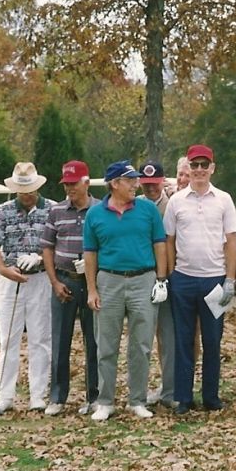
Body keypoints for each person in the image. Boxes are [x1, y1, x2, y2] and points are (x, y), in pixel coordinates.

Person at [83, 160, 167, 421]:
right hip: (109, 281)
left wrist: (161, 280)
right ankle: (105, 401)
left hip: (143, 279)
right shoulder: (95, 214)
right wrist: (92, 290)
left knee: (141, 345)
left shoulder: (148, 210)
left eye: (136, 180)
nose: (136, 184)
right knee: (106, 345)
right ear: (114, 183)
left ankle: (137, 400)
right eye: (130, 180)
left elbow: (160, 244)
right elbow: (90, 253)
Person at [165, 144, 236, 414]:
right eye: (194, 165)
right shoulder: (176, 201)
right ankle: (183, 398)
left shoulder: (224, 199)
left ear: (212, 168)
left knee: (212, 339)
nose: (198, 170)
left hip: (214, 281)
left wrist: (230, 279)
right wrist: (172, 275)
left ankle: (211, 396)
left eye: (203, 165)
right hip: (183, 279)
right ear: (188, 168)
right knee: (183, 340)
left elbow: (231, 241)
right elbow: (169, 240)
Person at [0, 162, 56, 415]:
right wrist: (3, 268)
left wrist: (39, 257)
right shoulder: (3, 211)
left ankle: (38, 395)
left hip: (40, 279)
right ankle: (4, 396)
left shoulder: (51, 210)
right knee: (8, 340)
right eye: (21, 190)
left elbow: (55, 244)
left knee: (40, 339)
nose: (25, 195)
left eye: (29, 190)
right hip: (10, 280)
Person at [41, 160, 100, 416]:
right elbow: (47, 247)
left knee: (94, 341)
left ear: (86, 182)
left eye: (73, 183)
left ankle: (94, 396)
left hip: (93, 282)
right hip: (65, 280)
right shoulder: (57, 211)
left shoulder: (100, 209)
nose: (69, 189)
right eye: (66, 184)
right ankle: (57, 396)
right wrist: (54, 282)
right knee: (60, 340)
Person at [137, 160, 176, 409]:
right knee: (140, 337)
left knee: (168, 336)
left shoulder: (173, 204)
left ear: (162, 182)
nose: (150, 189)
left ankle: (170, 389)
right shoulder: (135, 205)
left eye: (154, 184)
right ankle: (138, 391)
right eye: (146, 184)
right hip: (142, 275)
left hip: (168, 275)